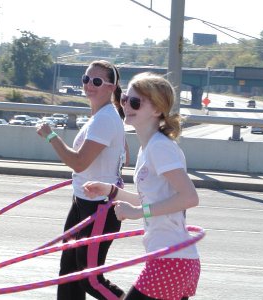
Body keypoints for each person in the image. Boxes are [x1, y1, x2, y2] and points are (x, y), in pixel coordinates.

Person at [83, 72, 201, 300]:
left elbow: (189, 197)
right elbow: (150, 199)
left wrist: (138, 213)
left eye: (136, 102)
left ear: (157, 110)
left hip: (170, 261)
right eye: (125, 99)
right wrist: (110, 190)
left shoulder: (160, 147)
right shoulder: (148, 148)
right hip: (177, 260)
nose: (127, 106)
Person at [36, 60, 126, 300]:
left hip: (99, 208)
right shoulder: (101, 117)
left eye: (97, 81)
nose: (89, 85)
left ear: (111, 87)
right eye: (86, 79)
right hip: (82, 202)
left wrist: (51, 135)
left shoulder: (105, 119)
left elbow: (79, 162)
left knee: (89, 279)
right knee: (69, 274)